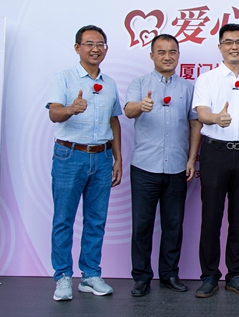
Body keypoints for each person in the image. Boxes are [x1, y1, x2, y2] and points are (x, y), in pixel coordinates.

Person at [46, 25, 123, 301]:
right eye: (89, 44)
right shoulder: (64, 78)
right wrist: (71, 109)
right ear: (77, 47)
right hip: (70, 155)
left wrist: (118, 158)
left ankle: (90, 275)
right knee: (64, 219)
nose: (95, 49)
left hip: (102, 157)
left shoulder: (110, 83)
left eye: (100, 44)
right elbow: (54, 113)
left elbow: (114, 121)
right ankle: (63, 276)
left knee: (96, 220)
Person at [192, 24, 239, 298]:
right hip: (215, 153)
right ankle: (209, 276)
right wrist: (216, 118)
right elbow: (201, 113)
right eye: (228, 42)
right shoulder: (207, 79)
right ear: (220, 47)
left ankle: (235, 274)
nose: (234, 46)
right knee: (211, 216)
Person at [124, 34, 202, 297]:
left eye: (172, 52)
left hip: (177, 166)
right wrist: (141, 105)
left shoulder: (188, 88)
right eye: (161, 52)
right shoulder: (139, 83)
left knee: (173, 224)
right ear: (152, 56)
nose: (167, 57)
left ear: (178, 55)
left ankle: (169, 274)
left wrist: (191, 158)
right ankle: (141, 277)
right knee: (142, 225)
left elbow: (195, 124)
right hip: (144, 167)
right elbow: (128, 110)